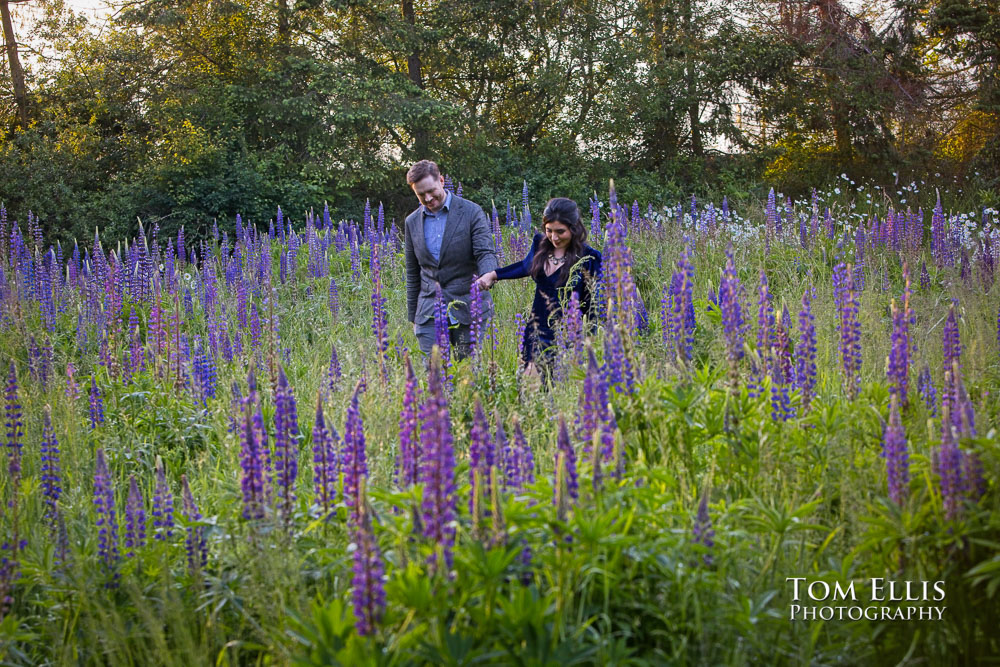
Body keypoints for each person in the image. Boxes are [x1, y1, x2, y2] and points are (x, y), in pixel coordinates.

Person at [475, 197, 602, 377]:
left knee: (559, 390)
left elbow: (593, 307)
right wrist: (494, 275)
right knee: (529, 387)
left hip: (568, 334)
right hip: (535, 328)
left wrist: (588, 342)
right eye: (549, 230)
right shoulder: (540, 244)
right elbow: (525, 266)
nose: (554, 237)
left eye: (560, 231)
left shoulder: (590, 258)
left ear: (574, 228)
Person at [404, 160, 498, 359]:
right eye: (421, 194)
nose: (428, 198)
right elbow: (413, 273)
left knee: (467, 376)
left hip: (468, 305)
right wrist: (414, 317)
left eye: (431, 190)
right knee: (434, 376)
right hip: (429, 310)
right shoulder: (412, 222)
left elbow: (485, 252)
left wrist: (488, 273)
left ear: (441, 180)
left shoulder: (471, 212)